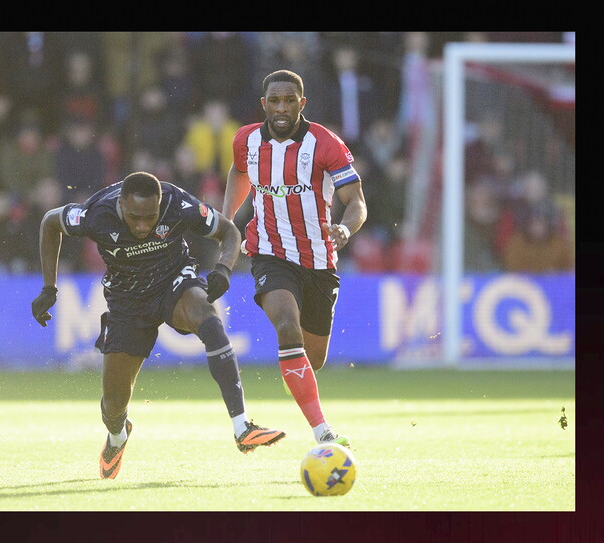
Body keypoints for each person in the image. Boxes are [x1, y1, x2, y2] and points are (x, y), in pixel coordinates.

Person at [31, 171, 285, 480]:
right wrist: (49, 288)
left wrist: (223, 269)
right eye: (135, 217)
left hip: (173, 282)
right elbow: (50, 222)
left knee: (209, 320)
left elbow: (229, 232)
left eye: (150, 218)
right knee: (113, 405)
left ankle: (242, 426)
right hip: (126, 302)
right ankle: (117, 435)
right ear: (122, 204)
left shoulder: (178, 203)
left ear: (160, 204)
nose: (142, 226)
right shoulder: (96, 213)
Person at [222, 70, 367, 447]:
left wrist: (346, 230)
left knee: (312, 358)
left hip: (318, 259)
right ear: (264, 104)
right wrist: (227, 224)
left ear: (302, 104)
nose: (282, 108)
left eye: (290, 100)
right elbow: (239, 174)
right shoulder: (246, 140)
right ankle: (323, 431)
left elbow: (357, 203)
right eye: (275, 101)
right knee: (286, 324)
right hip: (269, 252)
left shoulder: (325, 144)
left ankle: (298, 377)